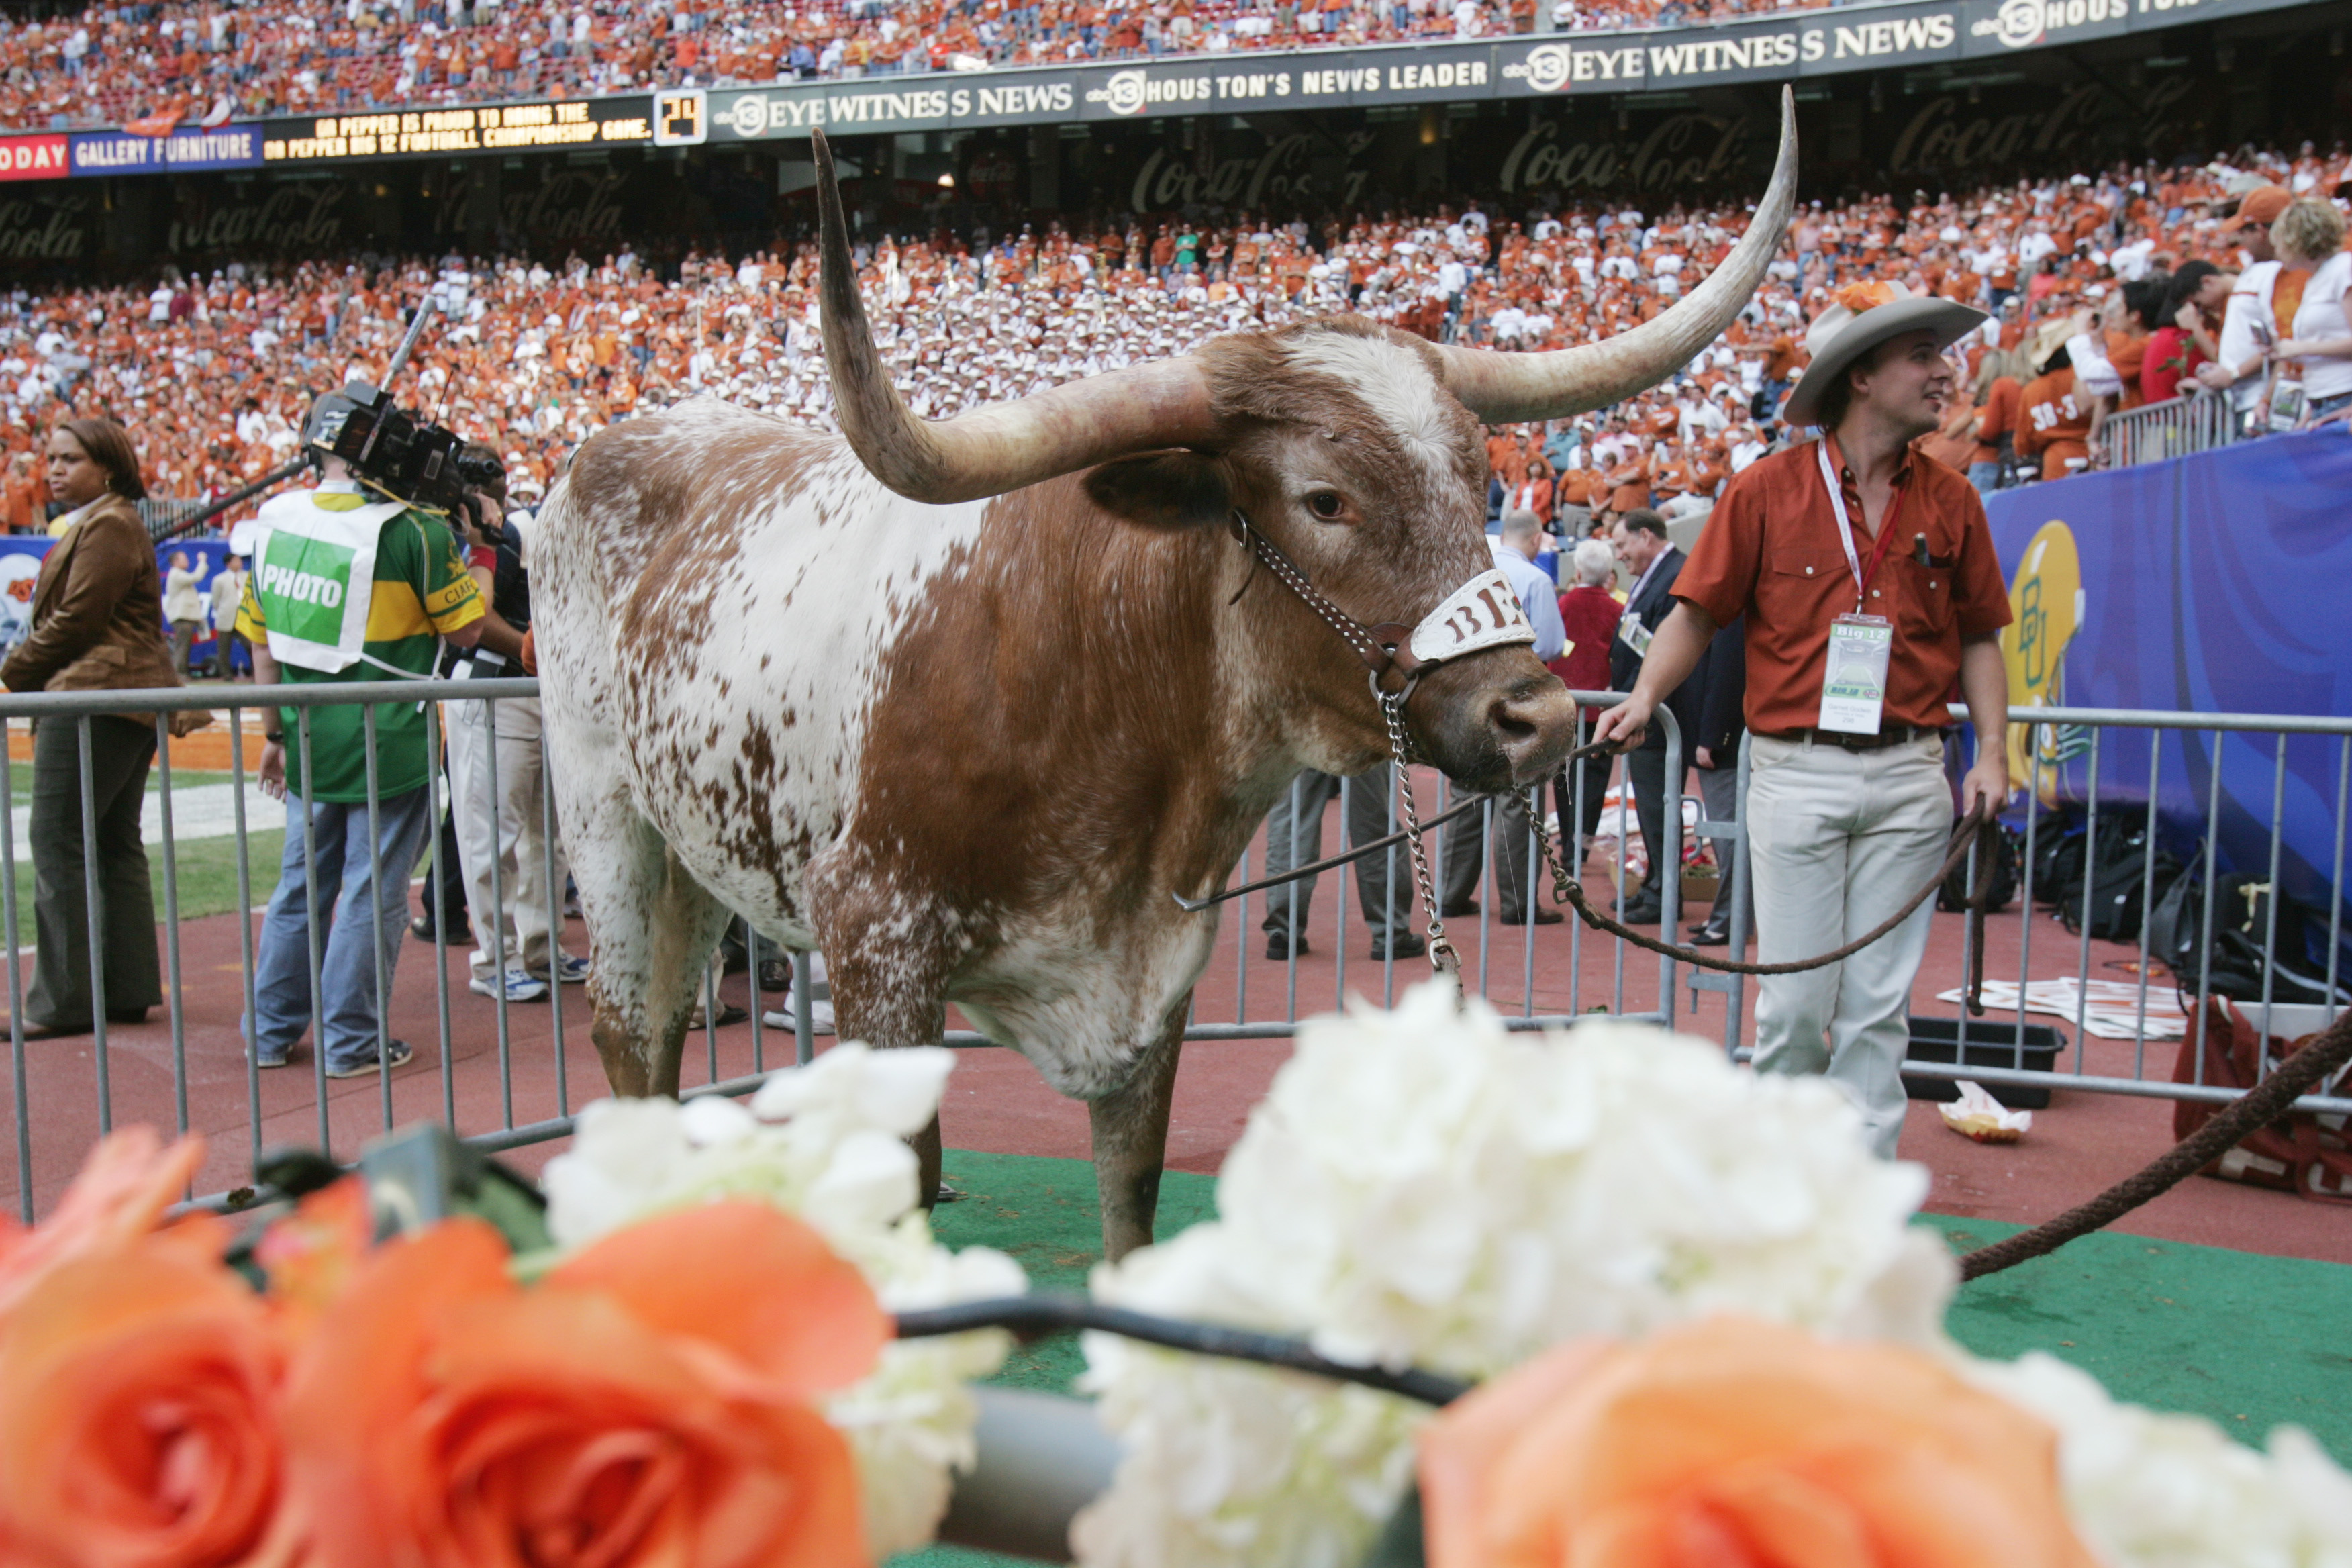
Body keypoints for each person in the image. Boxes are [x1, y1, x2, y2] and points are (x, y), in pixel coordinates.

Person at [1592, 282, 2013, 1159]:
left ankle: (1856, 1207)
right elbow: (1696, 614)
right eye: (1923, 357)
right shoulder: (1763, 491)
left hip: (1911, 773)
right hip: (1792, 771)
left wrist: (1993, 755)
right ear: (1860, 378)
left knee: (1876, 1012)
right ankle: (1772, 1190)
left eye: (1942, 355)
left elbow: (1982, 638)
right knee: (1793, 1006)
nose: (1947, 372)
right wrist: (1643, 699)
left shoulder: (1955, 500)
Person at [236, 392, 492, 1078]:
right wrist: (480, 552)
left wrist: (274, 733)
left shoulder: (275, 519)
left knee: (300, 886)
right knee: (370, 888)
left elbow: (260, 647)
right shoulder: (418, 530)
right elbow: (466, 631)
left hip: (305, 730)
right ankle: (350, 1038)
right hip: (391, 737)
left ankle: (268, 1029)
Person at [0, 419, 177, 1038]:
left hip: (95, 696)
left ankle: (62, 1002)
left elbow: (78, 618)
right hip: (122, 697)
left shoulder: (108, 524)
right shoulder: (111, 521)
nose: (53, 469)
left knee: (55, 838)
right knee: (110, 841)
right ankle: (126, 988)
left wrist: (11, 672)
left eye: (69, 459)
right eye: (50, 459)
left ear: (107, 467)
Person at [443, 444, 587, 1005]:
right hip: (493, 688)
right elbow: (474, 617)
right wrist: (540, 649)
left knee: (546, 834)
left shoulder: (572, 533)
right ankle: (492, 959)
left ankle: (540, 947)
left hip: (539, 692)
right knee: (491, 832)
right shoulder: (521, 531)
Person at [1440, 509, 1567, 925]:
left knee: (1467, 798)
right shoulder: (1536, 579)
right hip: (1518, 697)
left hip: (1468, 696)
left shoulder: (1472, 575)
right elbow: (1550, 643)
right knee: (1518, 800)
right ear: (1535, 540)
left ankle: (1452, 893)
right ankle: (1516, 901)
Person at [1603, 507, 1699, 926]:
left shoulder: (1676, 573)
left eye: (1623, 545)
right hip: (1646, 713)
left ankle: (1665, 894)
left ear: (1646, 536)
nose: (1619, 556)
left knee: (1661, 809)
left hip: (1661, 717)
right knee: (1651, 808)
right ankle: (1656, 885)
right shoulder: (1653, 575)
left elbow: (1665, 644)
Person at [1259, 764, 1425, 963]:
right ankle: (1391, 934)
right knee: (1374, 825)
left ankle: (1282, 933)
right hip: (1362, 734)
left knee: (1291, 824)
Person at [1551, 537, 1622, 860]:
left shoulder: (1563, 605)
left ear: (1578, 572)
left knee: (1563, 775)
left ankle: (1567, 841)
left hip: (1565, 704)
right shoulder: (1619, 610)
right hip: (1602, 707)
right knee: (1595, 778)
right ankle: (1582, 843)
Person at [2267, 199, 2352, 422]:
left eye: (2279, 243)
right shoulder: (2315, 280)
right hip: (2322, 399)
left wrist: (2300, 348)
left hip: (2344, 395)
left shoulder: (2343, 269)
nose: (2276, 251)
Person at [162, 550, 207, 676]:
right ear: (175, 562)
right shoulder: (176, 574)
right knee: (182, 646)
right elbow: (196, 577)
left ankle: (181, 672)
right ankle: (179, 673)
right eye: (184, 559)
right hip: (181, 616)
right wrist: (202, 561)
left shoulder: (178, 574)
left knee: (184, 646)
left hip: (185, 616)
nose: (187, 561)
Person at [209, 555, 248, 680]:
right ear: (228, 564)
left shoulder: (247, 576)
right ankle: (226, 674)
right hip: (226, 617)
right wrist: (223, 611)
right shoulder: (219, 579)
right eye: (236, 561)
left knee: (250, 644)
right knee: (224, 649)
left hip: (243, 617)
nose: (240, 563)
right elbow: (216, 601)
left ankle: (257, 672)